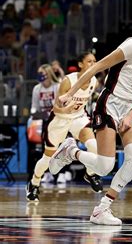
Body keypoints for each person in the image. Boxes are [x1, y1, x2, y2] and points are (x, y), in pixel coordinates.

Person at [49, 5, 132, 225]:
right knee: (105, 166)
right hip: (111, 102)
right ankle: (71, 151)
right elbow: (97, 66)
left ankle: (102, 209)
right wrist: (70, 93)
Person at [26, 52, 103, 201]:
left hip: (78, 118)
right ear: (80, 64)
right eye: (89, 61)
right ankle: (34, 183)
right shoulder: (68, 80)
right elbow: (55, 108)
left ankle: (90, 174)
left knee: (94, 147)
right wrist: (65, 110)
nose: (93, 64)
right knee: (47, 158)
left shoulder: (94, 81)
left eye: (95, 61)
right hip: (60, 119)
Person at [28, 64, 61, 181]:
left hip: (57, 121)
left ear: (48, 74)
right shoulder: (37, 88)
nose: (40, 75)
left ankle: (60, 173)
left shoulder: (57, 86)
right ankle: (46, 172)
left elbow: (61, 104)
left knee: (59, 148)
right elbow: (34, 107)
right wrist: (35, 113)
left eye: (42, 73)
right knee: (45, 148)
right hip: (44, 121)